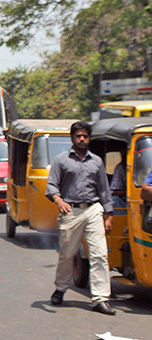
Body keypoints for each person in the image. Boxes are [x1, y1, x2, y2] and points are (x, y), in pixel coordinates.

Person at [46, 121, 115, 315]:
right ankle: (60, 288)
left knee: (99, 254)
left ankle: (100, 298)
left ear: (89, 138)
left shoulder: (97, 161)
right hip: (71, 211)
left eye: (85, 136)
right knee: (67, 254)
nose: (82, 139)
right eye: (78, 136)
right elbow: (51, 186)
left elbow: (104, 189)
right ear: (72, 138)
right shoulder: (61, 160)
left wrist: (109, 215)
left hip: (93, 209)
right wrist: (58, 201)